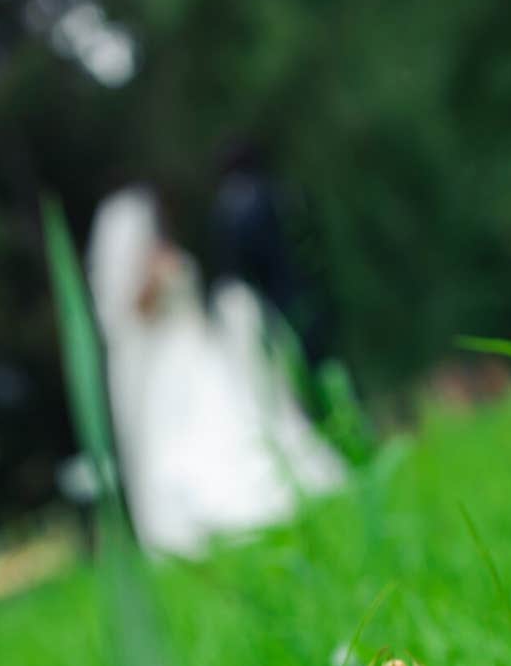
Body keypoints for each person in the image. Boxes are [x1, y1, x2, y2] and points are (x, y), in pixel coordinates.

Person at [86, 186, 345, 557]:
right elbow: (134, 317)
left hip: (201, 350)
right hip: (173, 364)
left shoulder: (167, 252)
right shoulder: (148, 272)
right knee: (194, 432)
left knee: (233, 417)